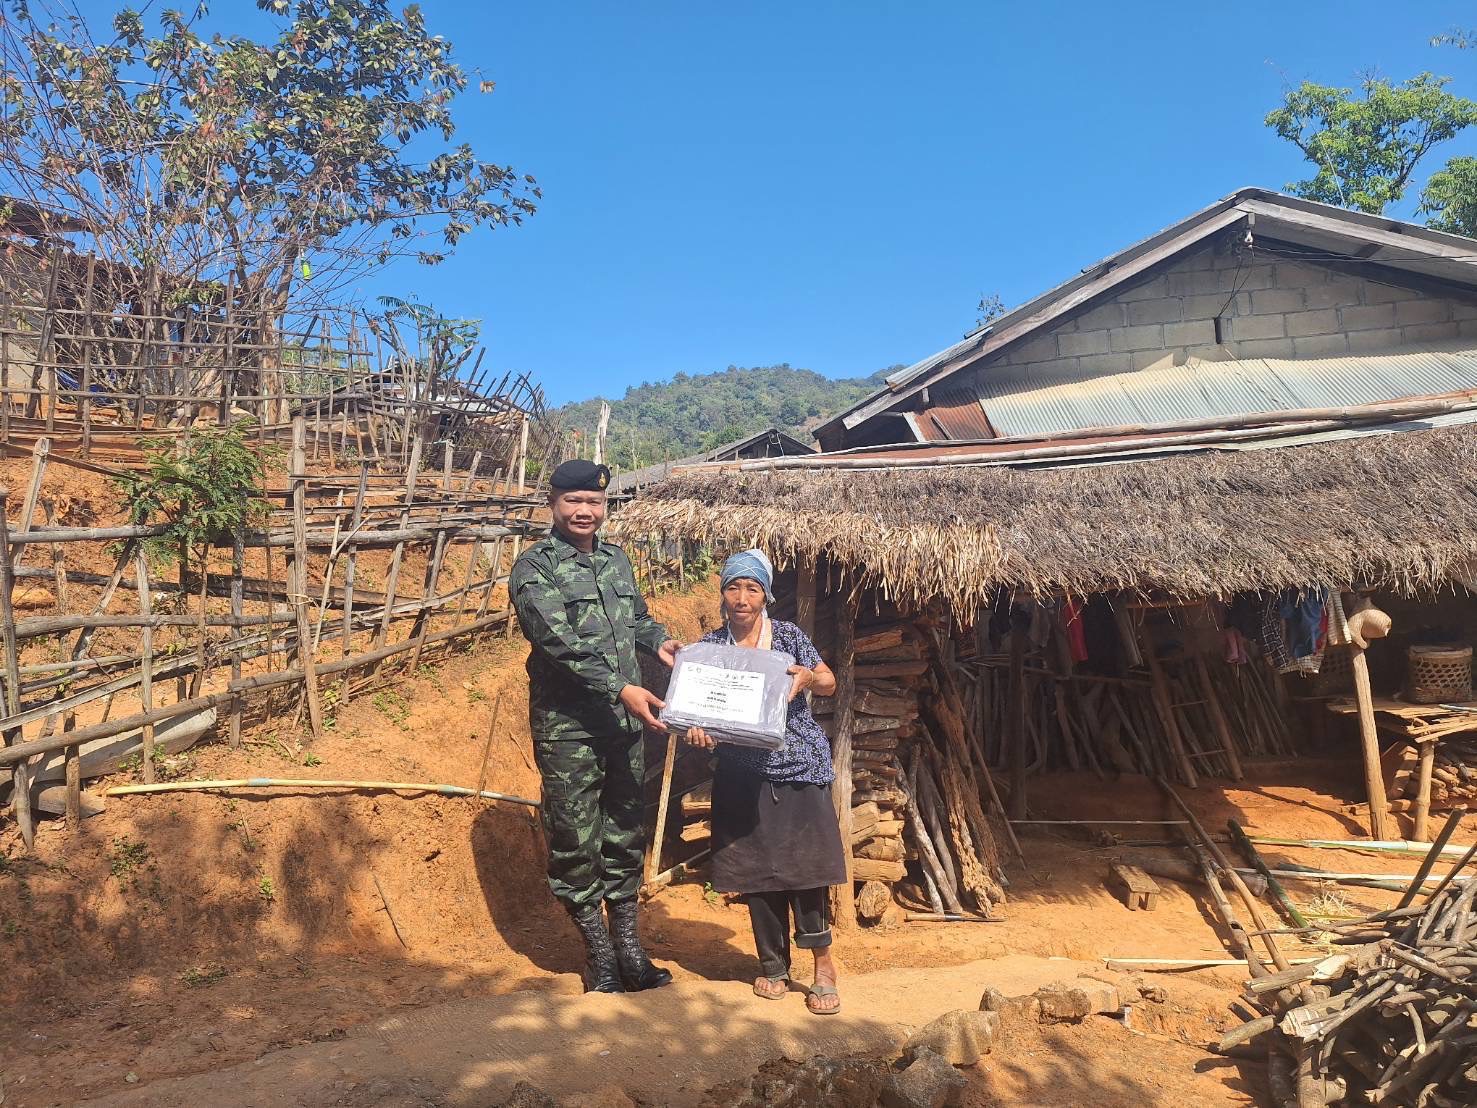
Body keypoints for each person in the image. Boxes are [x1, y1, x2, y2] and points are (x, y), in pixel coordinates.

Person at [511, 459, 681, 993]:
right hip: (570, 729)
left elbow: (636, 619)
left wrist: (660, 642)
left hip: (624, 725)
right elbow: (558, 644)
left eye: (594, 501)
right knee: (575, 837)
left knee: (625, 830)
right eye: (574, 501)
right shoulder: (534, 567)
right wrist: (621, 687)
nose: (585, 510)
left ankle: (629, 949)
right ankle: (600, 956)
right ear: (553, 504)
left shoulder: (615, 560)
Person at [682, 549, 847, 1015]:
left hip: (798, 766)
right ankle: (773, 966)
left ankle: (823, 967)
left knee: (806, 870)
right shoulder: (710, 648)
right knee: (757, 870)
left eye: (752, 588)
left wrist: (807, 677)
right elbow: (698, 708)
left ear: (765, 596)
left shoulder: (788, 637)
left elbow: (829, 682)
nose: (742, 597)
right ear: (722, 594)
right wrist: (699, 730)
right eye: (733, 587)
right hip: (741, 773)